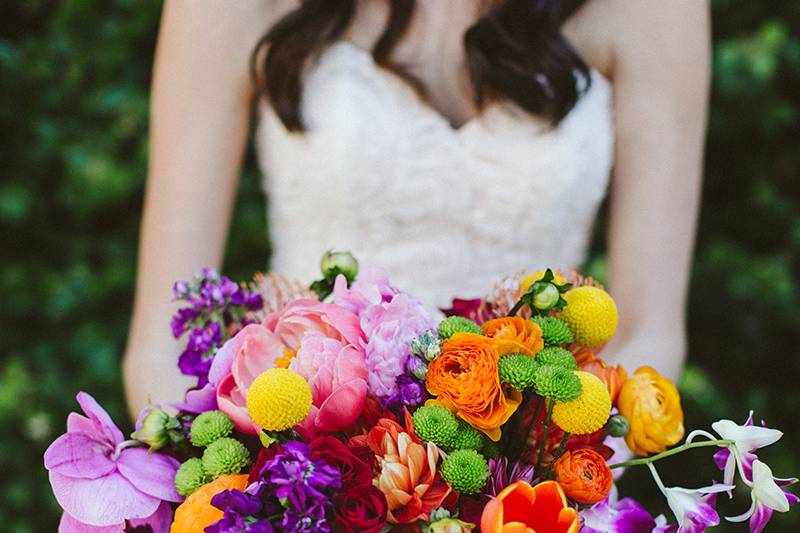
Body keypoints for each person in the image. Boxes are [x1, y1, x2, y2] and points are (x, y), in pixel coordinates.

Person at [123, 0, 710, 417]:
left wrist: (541, 489)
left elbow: (647, 335)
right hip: (300, 467)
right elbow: (161, 343)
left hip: (528, 483)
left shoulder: (654, 11)